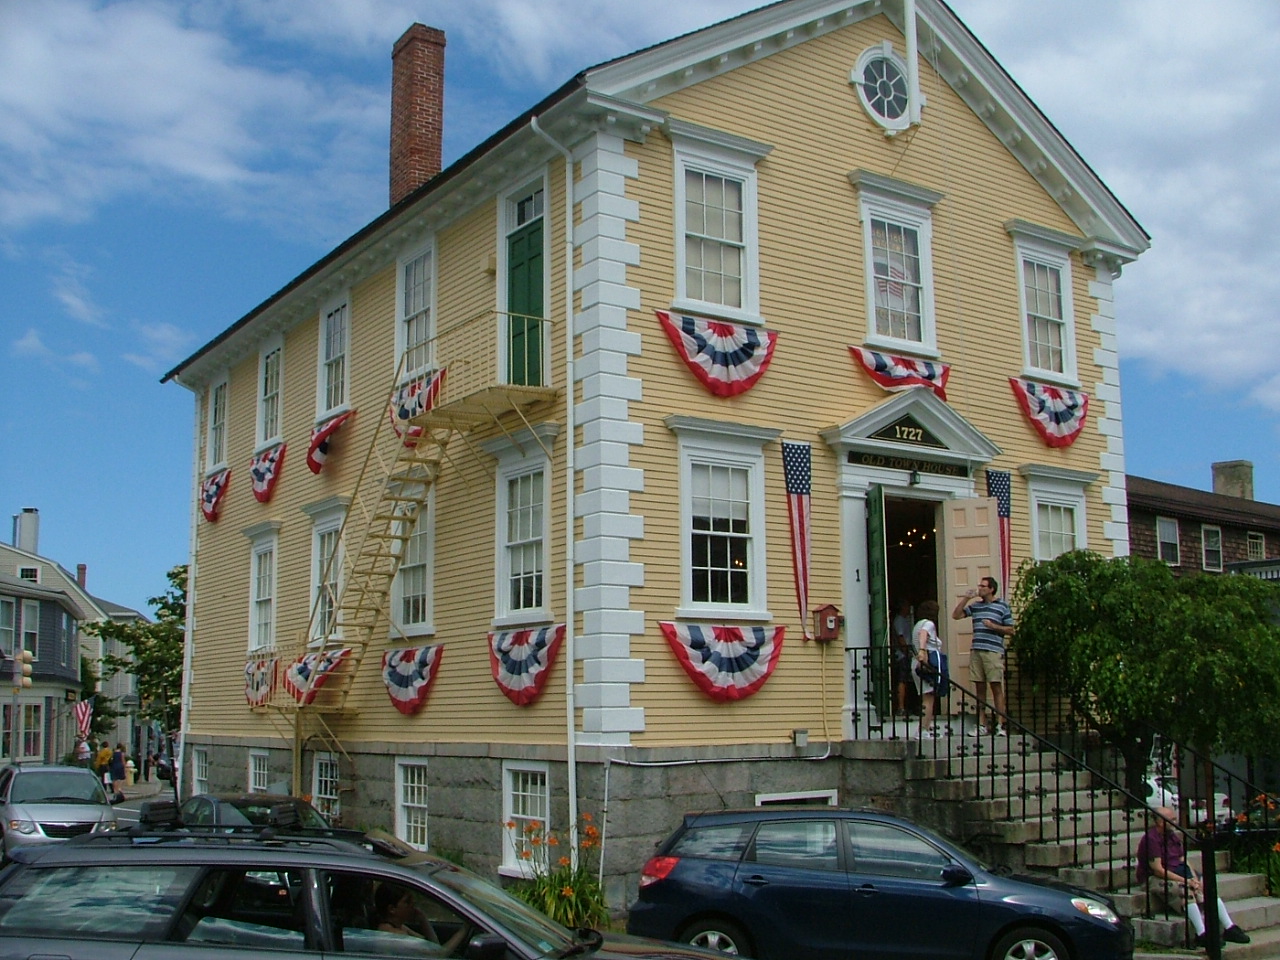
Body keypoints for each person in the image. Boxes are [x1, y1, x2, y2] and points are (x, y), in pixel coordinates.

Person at [1137, 807, 1250, 948]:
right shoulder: (1151, 839)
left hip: (1179, 872)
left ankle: (1229, 927)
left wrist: (1194, 878)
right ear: (1159, 822)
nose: (1175, 822)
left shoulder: (1172, 835)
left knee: (1206, 886)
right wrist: (1186, 881)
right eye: (1171, 820)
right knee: (1186, 890)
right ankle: (1201, 934)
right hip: (1156, 878)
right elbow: (1158, 870)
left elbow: (1183, 859)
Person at [952, 576, 1015, 736]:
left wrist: (993, 626)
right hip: (977, 650)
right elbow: (956, 615)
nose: (979, 588)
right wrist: (966, 598)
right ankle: (981, 724)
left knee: (996, 687)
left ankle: (1000, 724)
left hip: (993, 651)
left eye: (983, 586)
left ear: (991, 589)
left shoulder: (1002, 606)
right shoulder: (976, 606)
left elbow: (1010, 629)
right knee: (980, 689)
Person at [373, 882, 466, 954]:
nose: (413, 905)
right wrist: (465, 929)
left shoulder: (398, 927)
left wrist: (422, 919)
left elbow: (432, 945)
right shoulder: (397, 936)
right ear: (392, 909)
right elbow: (438, 955)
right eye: (407, 902)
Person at [912, 600, 943, 736]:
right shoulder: (928, 624)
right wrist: (923, 650)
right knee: (928, 697)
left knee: (925, 695)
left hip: (915, 663)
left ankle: (927, 727)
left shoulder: (917, 624)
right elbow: (923, 634)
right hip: (925, 662)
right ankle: (923, 730)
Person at [891, 600, 918, 716]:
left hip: (906, 654)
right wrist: (907, 651)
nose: (909, 609)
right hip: (903, 656)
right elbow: (900, 637)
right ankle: (901, 707)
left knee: (908, 680)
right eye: (907, 606)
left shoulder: (903, 620)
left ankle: (909, 705)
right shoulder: (899, 621)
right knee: (902, 680)